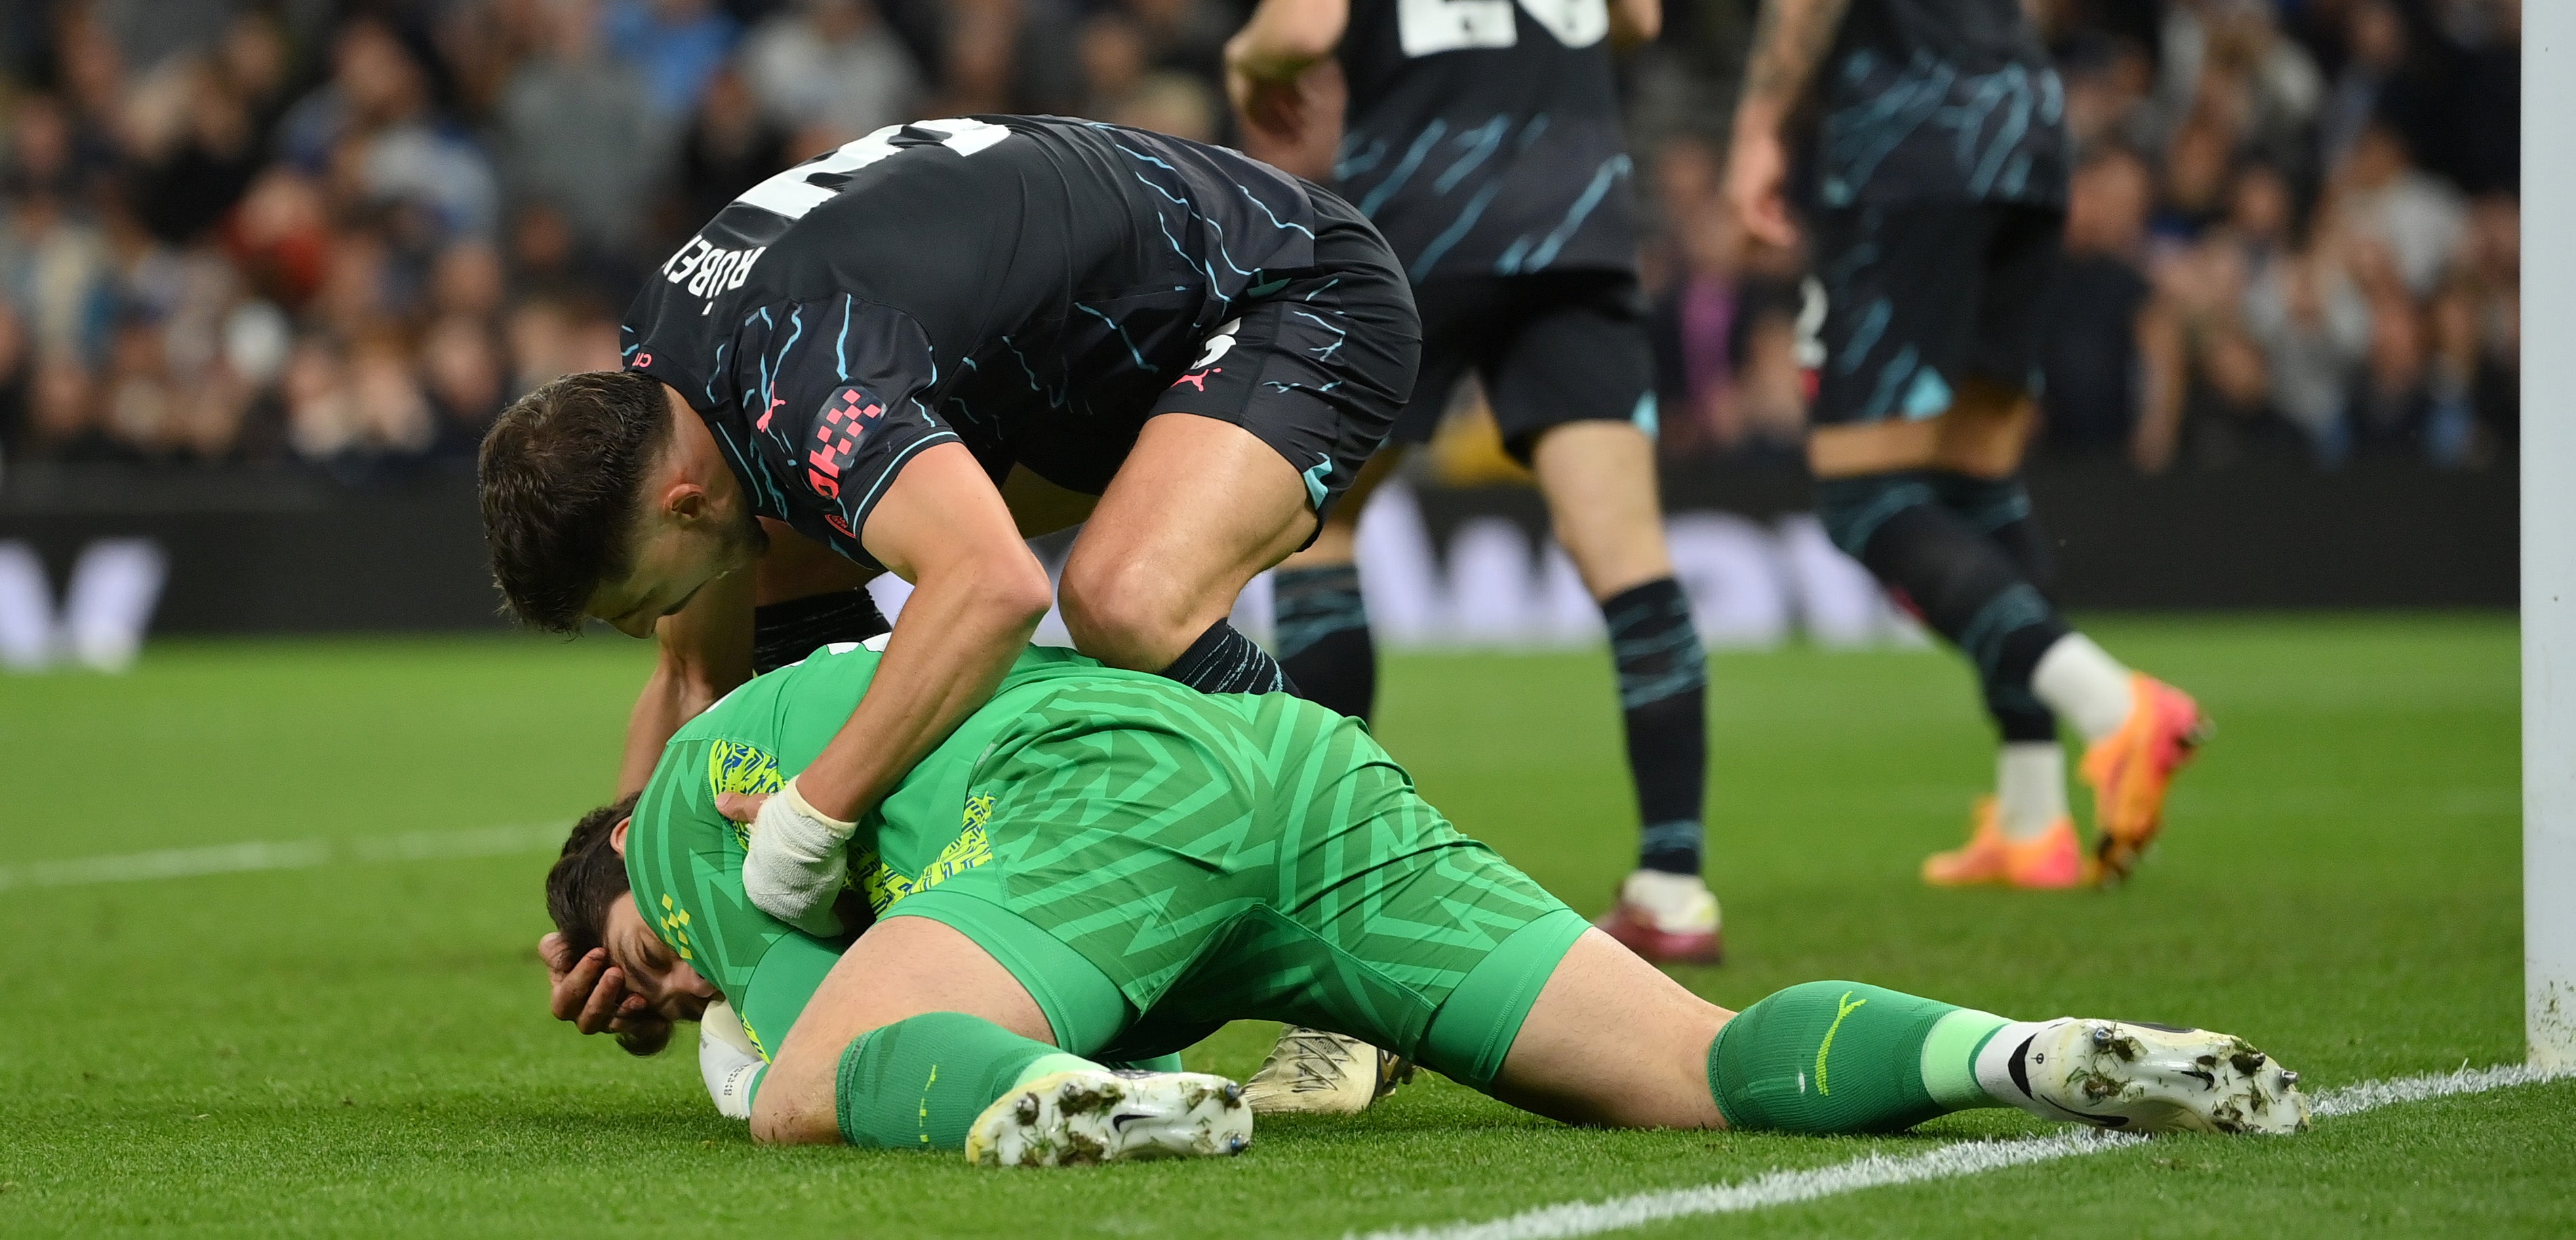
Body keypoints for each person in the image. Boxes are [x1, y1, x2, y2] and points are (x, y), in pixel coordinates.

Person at [545, 634, 2310, 1163]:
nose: (657, 981)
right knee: (1702, 1065)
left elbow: (783, 1059)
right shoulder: (828, 704)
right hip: (1292, 774)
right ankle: (2016, 1053)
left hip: (1113, 814)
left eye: (634, 963)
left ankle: (1052, 1103)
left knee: (805, 1095)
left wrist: (681, 976)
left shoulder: (688, 821)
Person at [482, 114, 1419, 1053]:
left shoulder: (810, 376)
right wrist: (638, 905)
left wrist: (812, 819)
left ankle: (1383, 901)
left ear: (680, 506)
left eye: (638, 604)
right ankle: (912, 918)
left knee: (1125, 598)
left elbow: (995, 587)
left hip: (1290, 291)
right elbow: (695, 683)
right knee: (769, 571)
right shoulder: (671, 376)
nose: (648, 628)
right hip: (1092, 357)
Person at [1223, 0, 1722, 991]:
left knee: (1319, 531)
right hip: (1577, 215)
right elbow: (1635, 14)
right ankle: (1675, 879)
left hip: (1413, 226)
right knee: (1622, 549)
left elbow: (1305, 23)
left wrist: (1246, 49)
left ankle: (1343, 868)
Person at [1720, 0, 2204, 890]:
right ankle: (2030, 813)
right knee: (1978, 473)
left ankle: (2116, 708)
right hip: (2020, 127)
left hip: (1902, 144)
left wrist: (1759, 123)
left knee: (1863, 502)